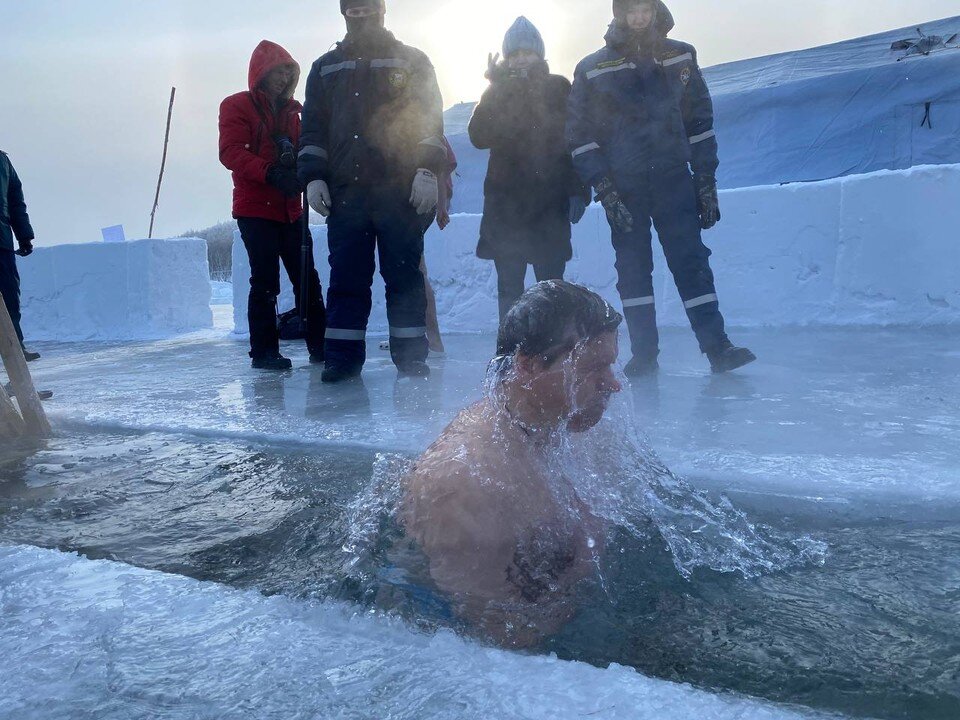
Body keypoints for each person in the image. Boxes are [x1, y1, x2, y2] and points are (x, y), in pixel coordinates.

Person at [401, 281, 623, 647]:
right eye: (594, 368)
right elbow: (503, 635)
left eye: (611, 366)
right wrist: (586, 561)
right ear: (528, 366)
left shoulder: (558, 425)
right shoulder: (467, 482)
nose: (612, 385)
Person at [566, 0, 756, 375]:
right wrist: (605, 189)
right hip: (624, 187)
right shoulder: (591, 69)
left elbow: (700, 123)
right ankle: (644, 355)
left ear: (656, 10)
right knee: (634, 269)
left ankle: (718, 347)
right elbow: (579, 137)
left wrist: (705, 182)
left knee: (691, 261)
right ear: (619, 14)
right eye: (630, 10)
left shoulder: (681, 55)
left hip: (673, 179)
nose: (638, 17)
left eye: (645, 9)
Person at [298, 0, 445, 382]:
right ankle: (342, 359)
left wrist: (427, 170)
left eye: (367, 9)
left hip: (400, 192)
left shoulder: (412, 61)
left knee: (404, 277)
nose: (360, 16)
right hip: (346, 195)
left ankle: (412, 358)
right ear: (343, 13)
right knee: (346, 278)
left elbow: (430, 116)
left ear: (382, 11)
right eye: (353, 10)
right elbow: (312, 127)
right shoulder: (324, 67)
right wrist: (313, 176)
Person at [469, 17, 591, 324]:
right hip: (505, 210)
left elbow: (575, 140)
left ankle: (554, 355)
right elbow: (478, 136)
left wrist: (579, 188)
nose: (521, 59)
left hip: (549, 207)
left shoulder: (559, 87)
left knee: (551, 289)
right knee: (510, 290)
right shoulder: (497, 91)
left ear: (540, 53)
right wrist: (496, 88)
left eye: (527, 52)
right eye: (515, 54)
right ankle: (511, 356)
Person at [219, 40, 326, 371]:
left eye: (288, 72)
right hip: (255, 210)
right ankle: (264, 352)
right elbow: (231, 152)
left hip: (292, 209)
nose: (283, 78)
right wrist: (271, 173)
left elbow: (307, 148)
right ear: (260, 73)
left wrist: (303, 174)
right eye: (277, 71)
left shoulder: (298, 114)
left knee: (306, 278)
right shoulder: (236, 106)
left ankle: (320, 346)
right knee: (265, 281)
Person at [0, 150, 40, 362]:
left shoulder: (3, 161)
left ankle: (17, 370)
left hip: (2, 243)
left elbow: (15, 201)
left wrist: (24, 235)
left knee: (9, 302)